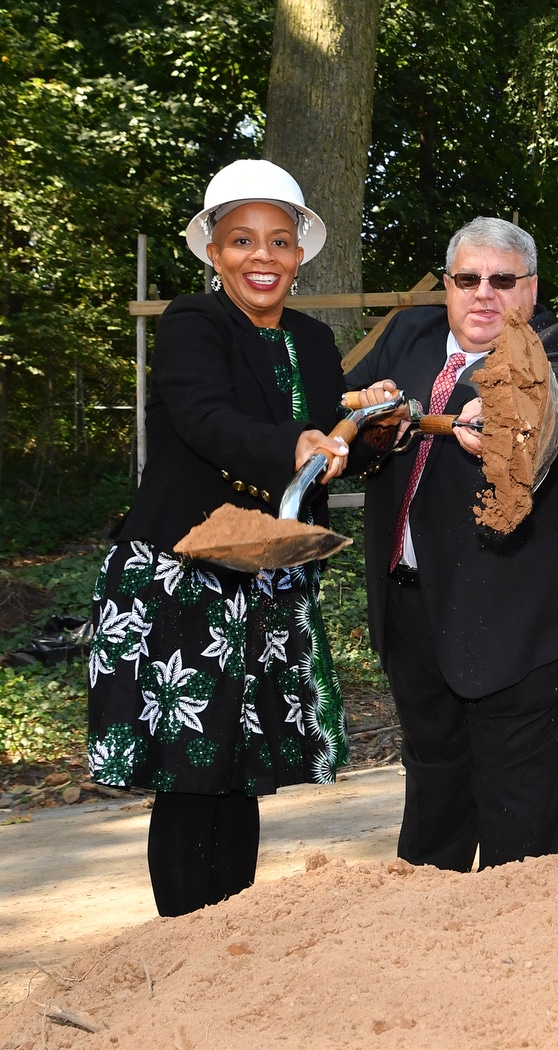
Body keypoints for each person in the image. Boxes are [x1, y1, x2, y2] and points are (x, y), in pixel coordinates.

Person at [86, 160, 354, 916]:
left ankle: (228, 948)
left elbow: (331, 444)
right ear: (214, 251)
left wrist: (371, 435)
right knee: (191, 771)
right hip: (184, 576)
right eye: (241, 241)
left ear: (302, 251)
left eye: (278, 241)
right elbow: (207, 421)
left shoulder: (313, 339)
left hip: (267, 579)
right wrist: (295, 444)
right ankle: (181, 948)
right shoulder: (193, 324)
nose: (261, 257)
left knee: (243, 765)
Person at [342, 217, 558, 872]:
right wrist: (369, 428)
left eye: (502, 280)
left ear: (531, 287)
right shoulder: (407, 334)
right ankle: (431, 958)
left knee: (521, 838)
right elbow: (344, 436)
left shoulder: (557, 346)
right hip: (414, 614)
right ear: (448, 285)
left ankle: (520, 962)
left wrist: (513, 418)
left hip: (525, 624)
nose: (483, 294)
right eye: (468, 279)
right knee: (432, 815)